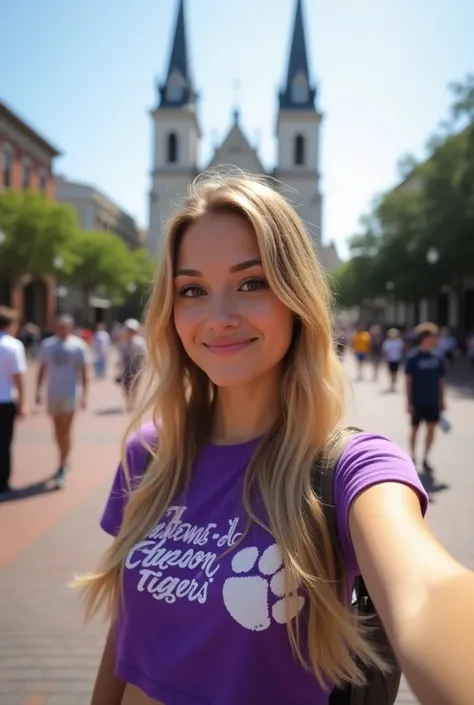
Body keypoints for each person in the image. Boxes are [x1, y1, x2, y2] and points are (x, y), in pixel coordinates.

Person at [77, 173, 474, 705]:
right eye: (192, 290)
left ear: (296, 298)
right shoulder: (148, 454)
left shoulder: (351, 468)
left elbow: (428, 592)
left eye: (251, 282)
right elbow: (129, 630)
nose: (218, 318)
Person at [36, 314, 89, 487]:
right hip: (53, 393)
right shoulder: (47, 345)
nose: (63, 330)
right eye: (60, 326)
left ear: (71, 327)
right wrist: (37, 391)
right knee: (57, 431)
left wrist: (85, 395)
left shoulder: (78, 345)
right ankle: (63, 455)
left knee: (66, 430)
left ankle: (62, 463)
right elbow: (42, 368)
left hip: (70, 393)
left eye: (66, 326)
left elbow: (84, 371)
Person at [405, 322, 446, 475]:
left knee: (431, 429)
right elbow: (408, 381)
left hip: (433, 401)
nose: (436, 339)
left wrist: (442, 399)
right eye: (434, 336)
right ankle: (413, 457)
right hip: (417, 401)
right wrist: (409, 402)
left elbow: (441, 380)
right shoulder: (414, 357)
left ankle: (425, 458)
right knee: (415, 429)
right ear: (425, 337)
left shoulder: (437, 357)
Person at [0, 307, 27, 497]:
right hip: (5, 399)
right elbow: (18, 377)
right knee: (4, 443)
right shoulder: (13, 346)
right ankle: (3, 483)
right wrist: (22, 402)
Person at [117, 319, 146, 412]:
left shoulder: (140, 342)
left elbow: (143, 355)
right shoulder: (123, 343)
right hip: (126, 368)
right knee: (125, 386)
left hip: (136, 368)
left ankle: (133, 402)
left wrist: (143, 366)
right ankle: (128, 401)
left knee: (134, 386)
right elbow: (120, 358)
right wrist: (118, 370)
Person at [382, 327, 405, 392]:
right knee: (390, 372)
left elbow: (402, 350)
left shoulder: (399, 342)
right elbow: (385, 351)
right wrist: (385, 358)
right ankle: (391, 384)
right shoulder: (388, 342)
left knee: (396, 372)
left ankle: (394, 384)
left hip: (397, 359)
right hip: (390, 359)